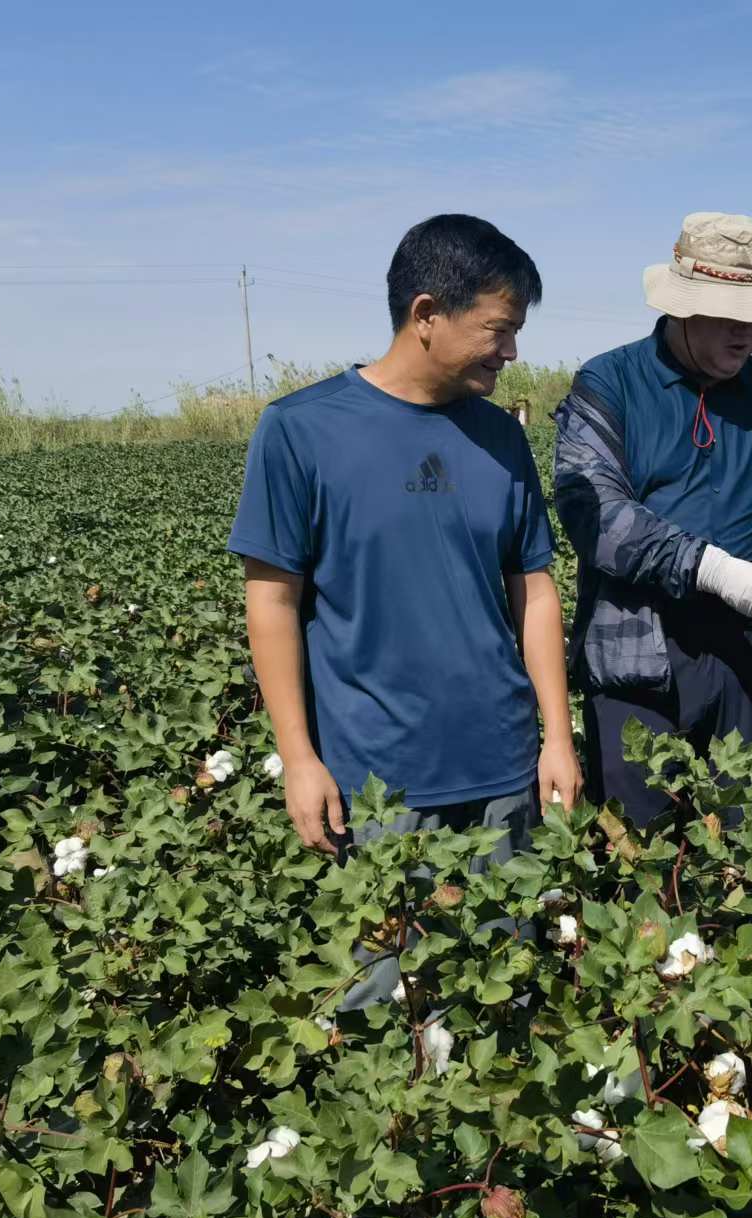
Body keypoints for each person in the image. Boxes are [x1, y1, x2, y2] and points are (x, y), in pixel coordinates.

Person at [228, 214, 580, 1009]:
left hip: (500, 766)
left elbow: (534, 589)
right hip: (376, 783)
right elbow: (272, 605)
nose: (512, 351)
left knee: (502, 998)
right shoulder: (300, 431)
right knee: (382, 1009)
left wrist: (556, 736)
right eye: (498, 329)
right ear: (426, 315)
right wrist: (299, 756)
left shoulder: (500, 438)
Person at [553, 212, 752, 826]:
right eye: (729, 318)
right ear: (683, 307)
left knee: (747, 842)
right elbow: (595, 513)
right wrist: (710, 569)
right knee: (643, 845)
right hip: (643, 656)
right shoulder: (610, 384)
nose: (747, 335)